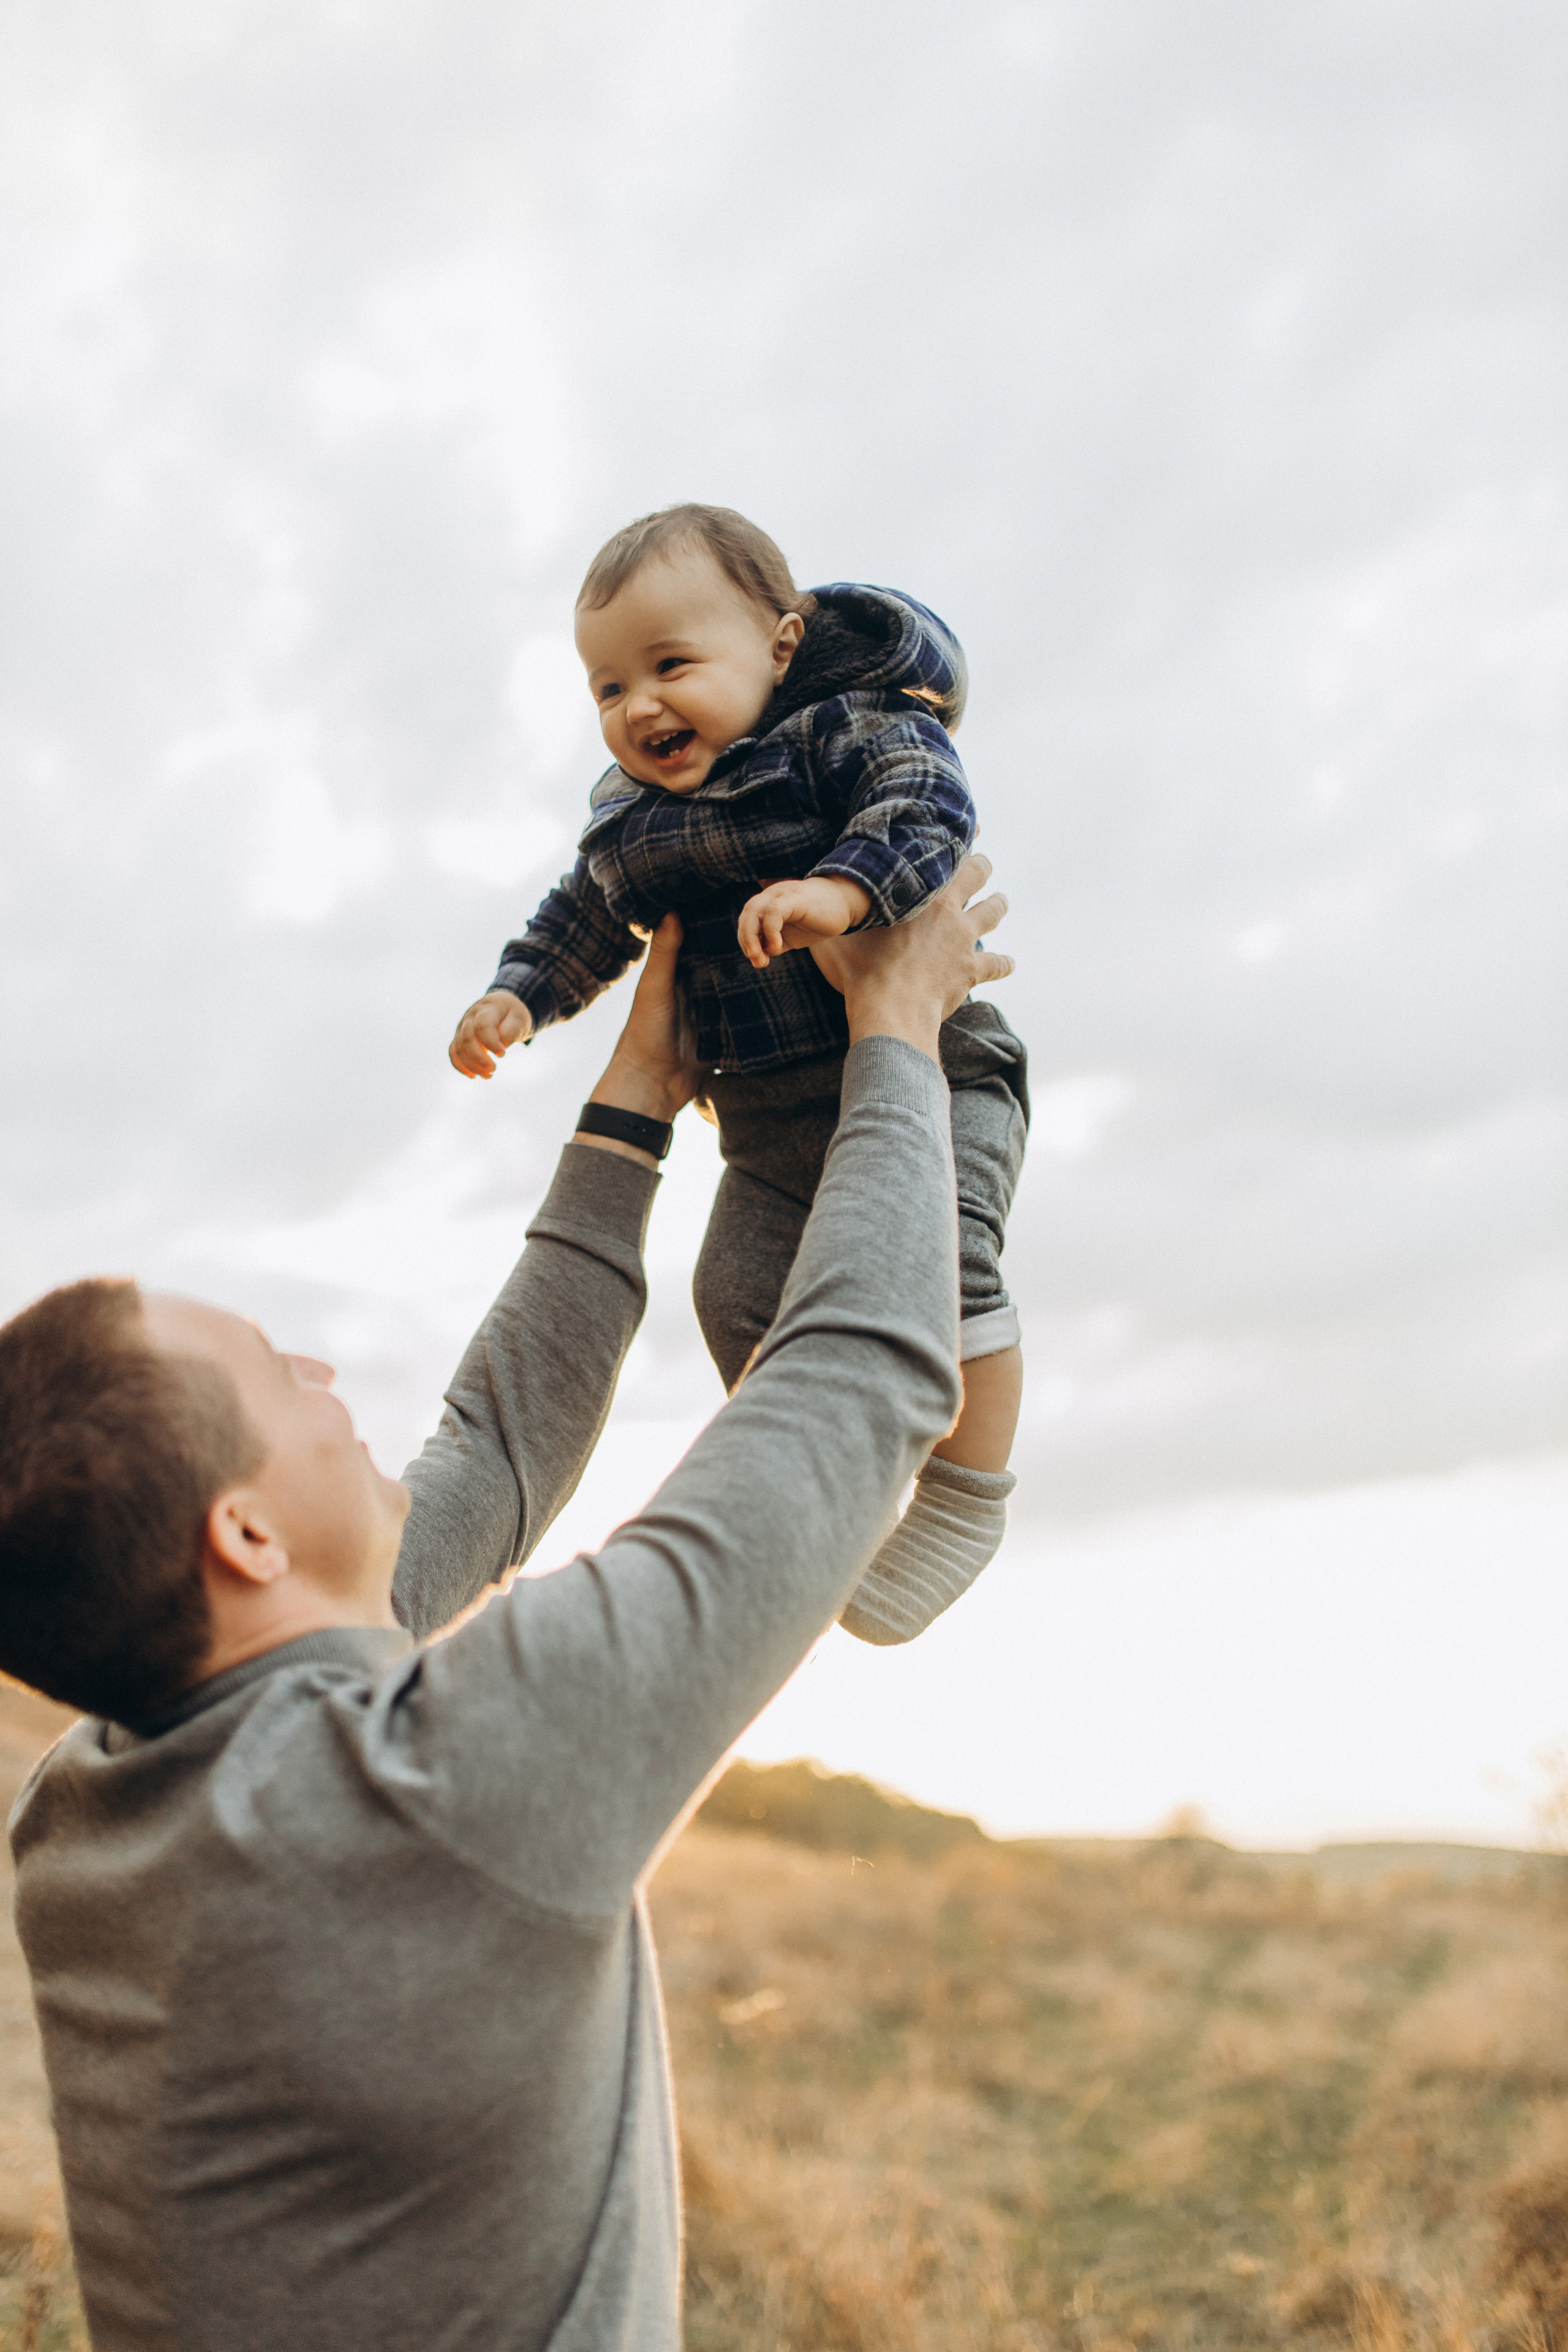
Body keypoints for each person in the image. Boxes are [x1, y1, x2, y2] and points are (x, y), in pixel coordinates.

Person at [2, 859, 1013, 2352]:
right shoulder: (440, 1789)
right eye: (281, 1376)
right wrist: (897, 1034)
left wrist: (634, 1103)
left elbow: (492, 1443)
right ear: (246, 1534)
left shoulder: (87, 1804)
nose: (328, 1379)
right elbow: (856, 1385)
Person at [449, 504, 1029, 1645]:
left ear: (780, 644)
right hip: (763, 1127)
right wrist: (521, 992)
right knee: (732, 1293)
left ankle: (966, 1496)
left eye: (671, 665)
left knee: (945, 1264)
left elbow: (927, 806)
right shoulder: (632, 827)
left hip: (935, 1077)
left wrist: (844, 892)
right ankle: (828, 1488)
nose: (639, 707)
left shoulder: (846, 731)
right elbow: (583, 920)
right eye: (608, 689)